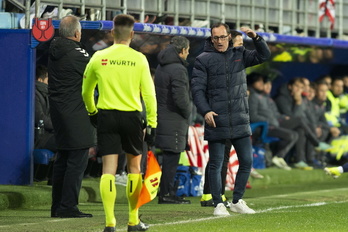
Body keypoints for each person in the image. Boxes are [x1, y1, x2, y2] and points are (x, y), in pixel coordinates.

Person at [82, 14, 157, 232]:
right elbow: (149, 95)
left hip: (107, 115)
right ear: (132, 34)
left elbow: (86, 91)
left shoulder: (99, 57)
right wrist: (151, 123)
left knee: (109, 170)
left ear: (112, 32)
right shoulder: (139, 59)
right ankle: (133, 220)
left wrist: (92, 112)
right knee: (134, 168)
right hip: (132, 117)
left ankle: (109, 223)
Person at [191, 23, 271, 216]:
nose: (219, 41)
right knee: (216, 163)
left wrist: (257, 38)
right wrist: (206, 111)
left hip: (239, 118)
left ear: (228, 36)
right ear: (211, 39)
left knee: (246, 161)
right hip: (216, 119)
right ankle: (218, 203)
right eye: (215, 38)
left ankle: (237, 200)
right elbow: (197, 90)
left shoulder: (240, 54)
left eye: (222, 37)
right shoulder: (203, 60)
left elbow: (264, 56)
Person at [48, 15, 96, 218]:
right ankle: (68, 206)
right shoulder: (76, 53)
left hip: (59, 111)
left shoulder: (55, 50)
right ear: (76, 33)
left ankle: (58, 206)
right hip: (75, 112)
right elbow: (97, 71)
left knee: (63, 159)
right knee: (77, 160)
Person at [154, 36, 192, 204]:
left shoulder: (163, 66)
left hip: (163, 116)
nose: (188, 54)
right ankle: (166, 194)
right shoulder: (178, 69)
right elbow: (180, 98)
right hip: (174, 118)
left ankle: (166, 191)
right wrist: (188, 111)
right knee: (172, 157)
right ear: (182, 51)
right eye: (188, 50)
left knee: (169, 156)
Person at [247, 73, 298, 170]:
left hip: (271, 125)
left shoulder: (266, 98)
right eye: (259, 81)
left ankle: (278, 157)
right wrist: (268, 121)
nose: (262, 83)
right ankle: (277, 157)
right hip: (261, 128)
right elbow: (253, 116)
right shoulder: (253, 96)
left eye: (263, 81)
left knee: (295, 134)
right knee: (291, 135)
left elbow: (274, 114)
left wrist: (282, 117)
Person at [35, 64, 56, 152]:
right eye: (48, 80)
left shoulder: (47, 95)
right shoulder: (34, 95)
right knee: (69, 143)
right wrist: (58, 126)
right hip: (40, 138)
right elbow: (40, 118)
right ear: (40, 80)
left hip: (50, 134)